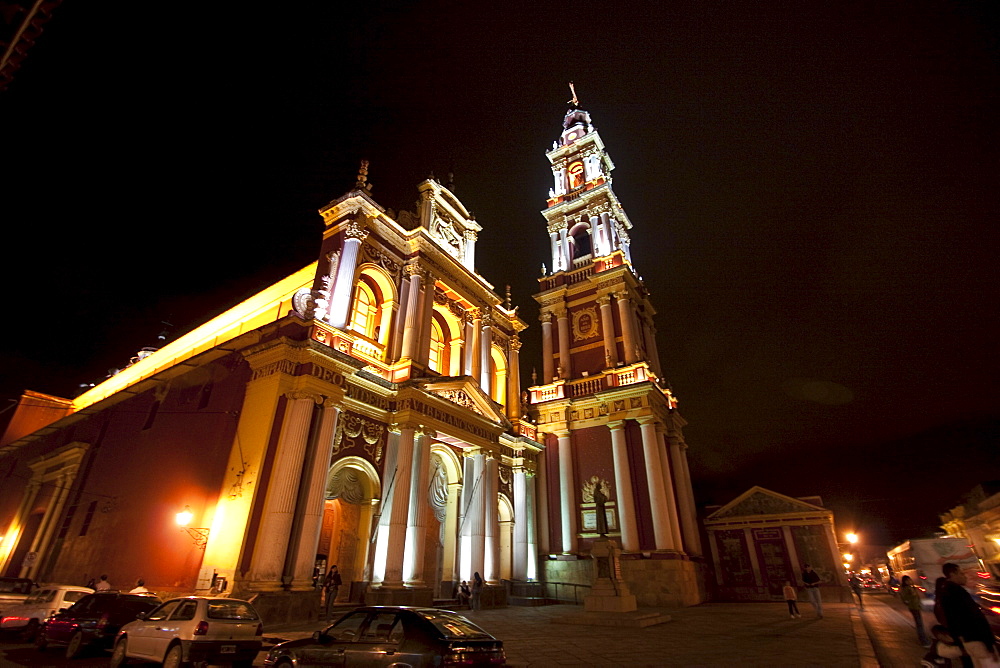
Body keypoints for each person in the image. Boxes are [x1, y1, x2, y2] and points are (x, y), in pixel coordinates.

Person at [939, 562, 997, 667]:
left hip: (968, 639)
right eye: (961, 573)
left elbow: (952, 620)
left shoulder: (947, 592)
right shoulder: (957, 593)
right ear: (953, 574)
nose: (964, 576)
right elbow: (974, 618)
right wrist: (989, 643)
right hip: (977, 639)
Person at [900, 575, 931, 646]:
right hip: (914, 607)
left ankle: (924, 639)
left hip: (916, 607)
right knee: (919, 624)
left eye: (909, 580)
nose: (909, 581)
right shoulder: (907, 589)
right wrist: (909, 601)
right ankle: (924, 641)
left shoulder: (911, 587)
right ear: (905, 582)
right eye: (907, 581)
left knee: (919, 623)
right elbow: (905, 598)